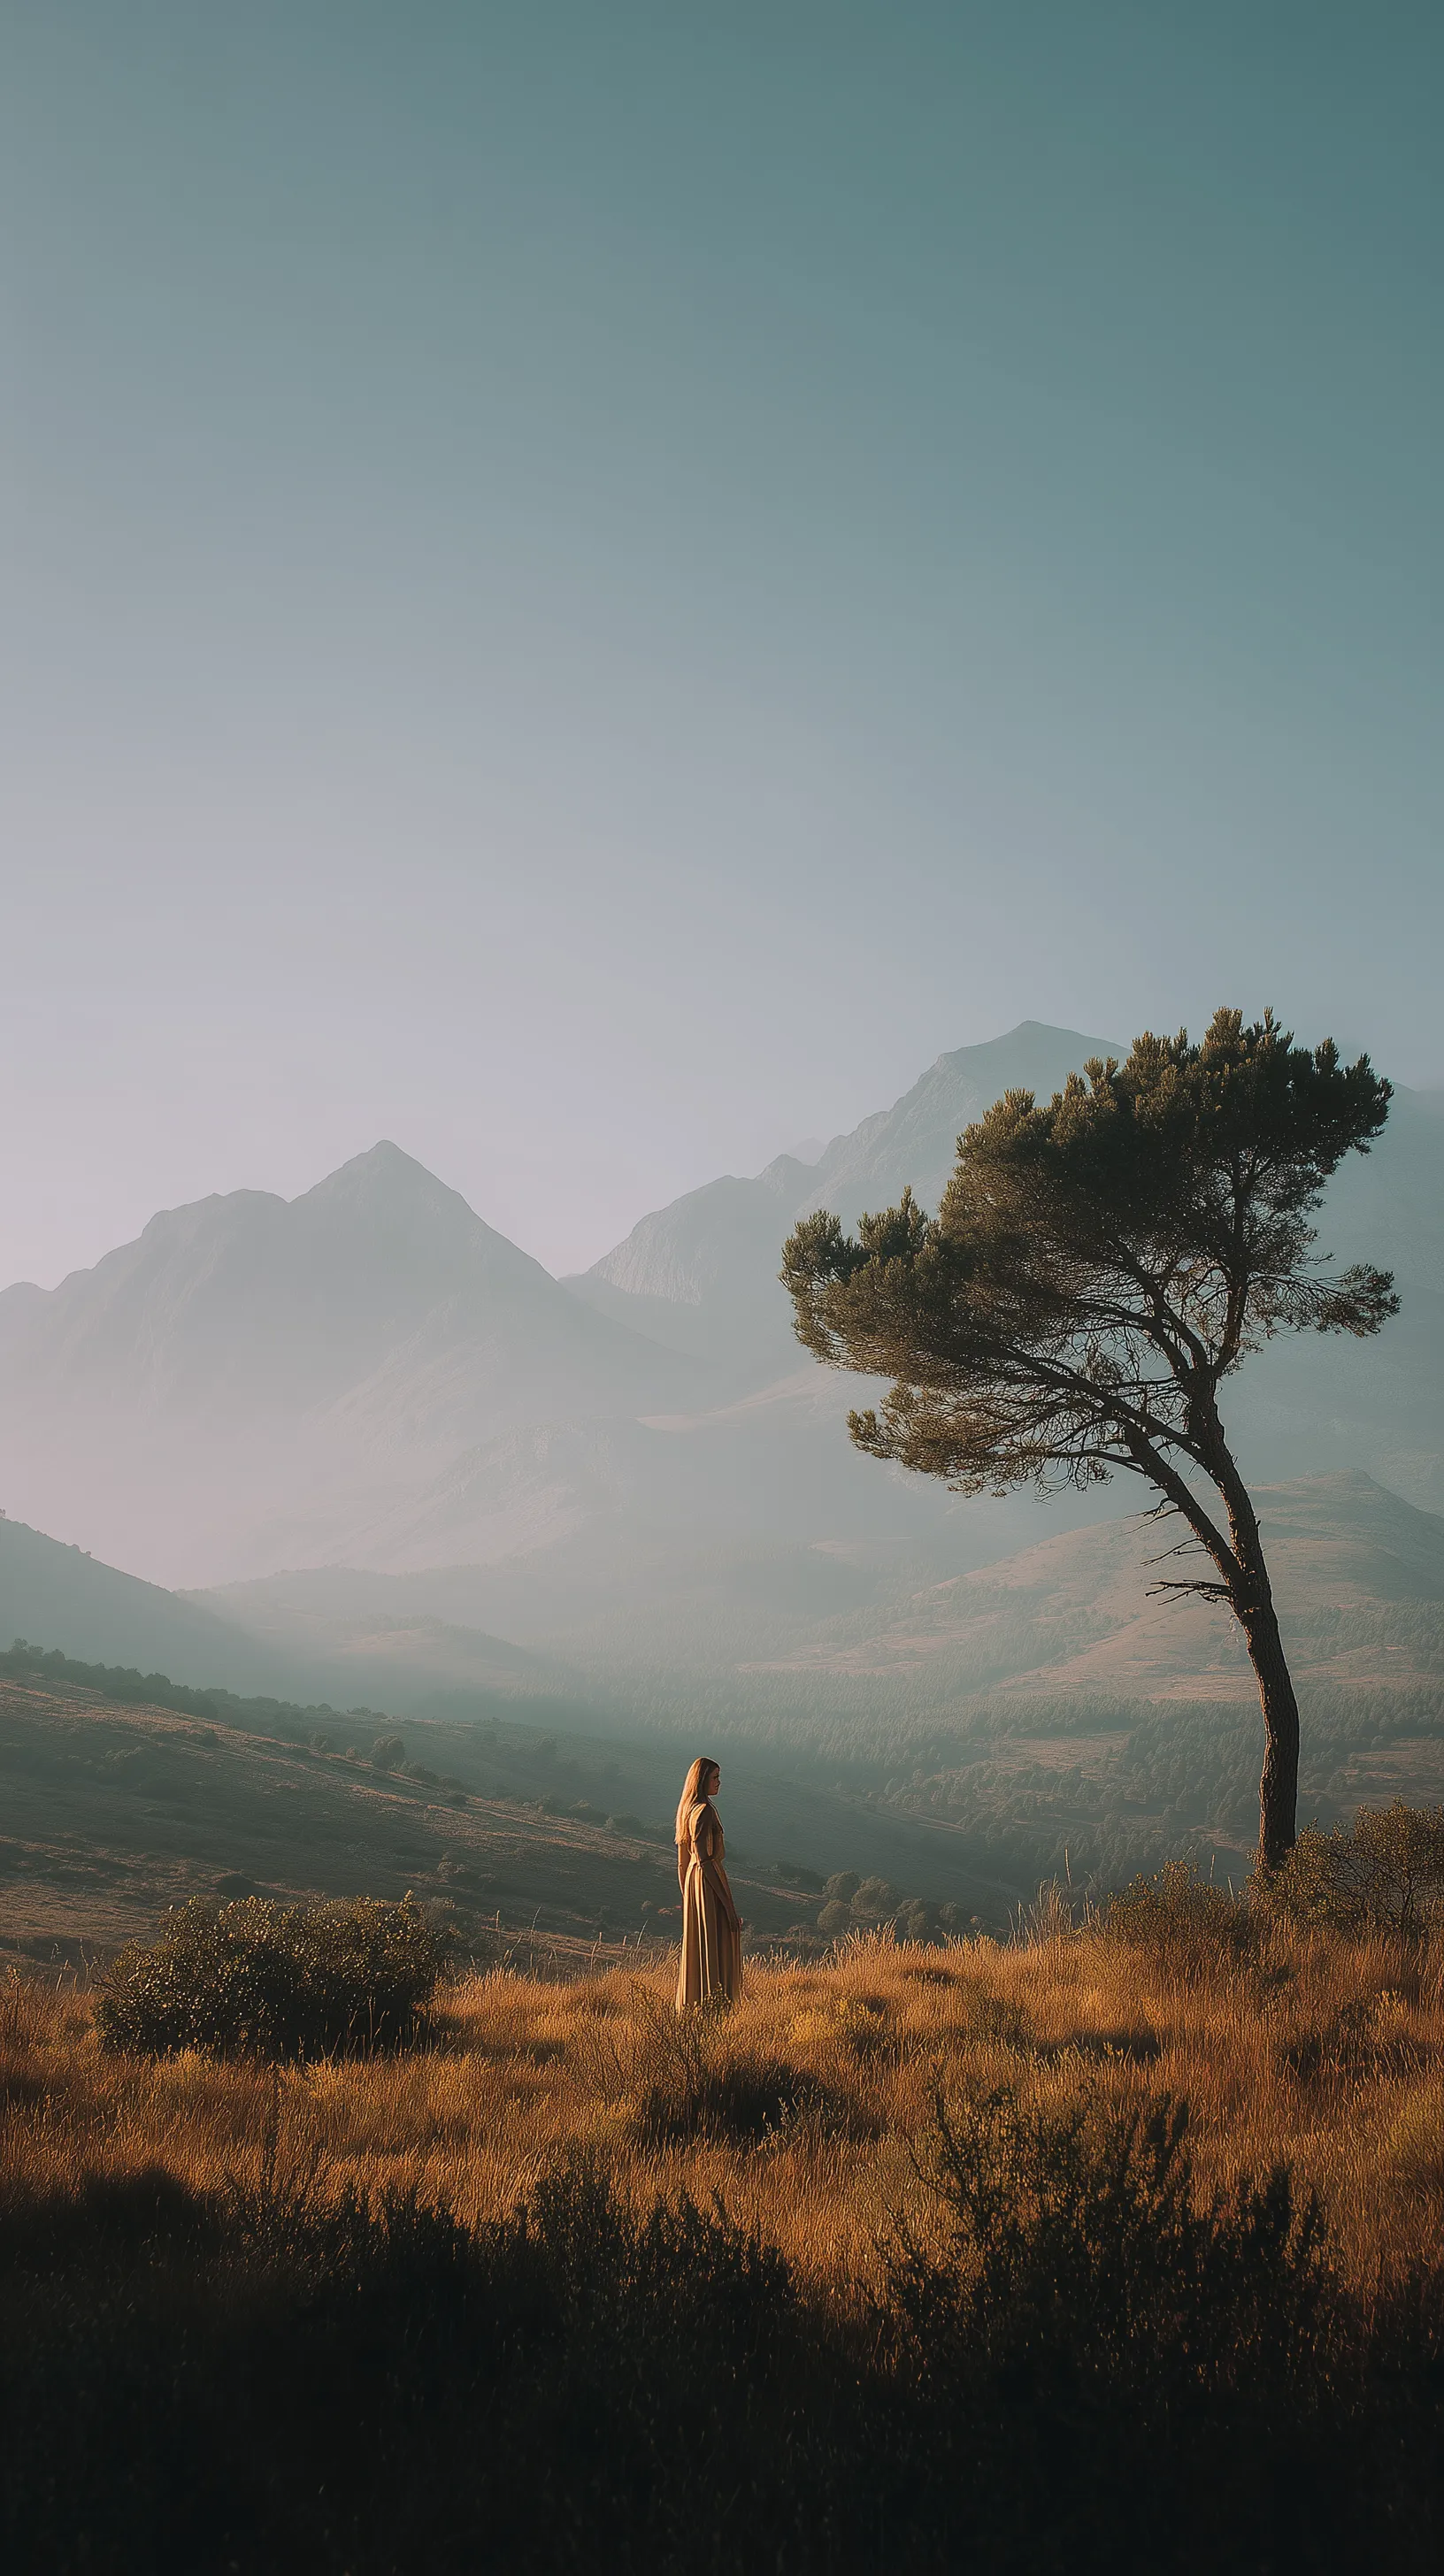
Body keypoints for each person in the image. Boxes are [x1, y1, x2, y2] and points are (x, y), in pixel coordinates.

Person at [674, 1756, 742, 2011]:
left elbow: (683, 1863)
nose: (719, 1783)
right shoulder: (704, 1811)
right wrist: (729, 1906)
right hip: (708, 1878)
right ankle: (716, 2004)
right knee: (719, 1938)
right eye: (715, 1778)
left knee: (700, 1941)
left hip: (694, 1883)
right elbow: (704, 1859)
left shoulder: (686, 1810)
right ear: (702, 1781)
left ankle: (698, 2003)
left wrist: (688, 1898)